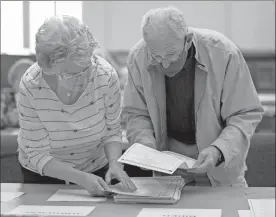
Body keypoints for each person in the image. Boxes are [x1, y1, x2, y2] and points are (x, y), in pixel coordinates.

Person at [123, 6, 264, 187]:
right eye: (156, 58)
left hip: (220, 165)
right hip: (168, 169)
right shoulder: (138, 57)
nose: (165, 65)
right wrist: (145, 144)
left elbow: (245, 114)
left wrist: (218, 150)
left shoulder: (224, 53)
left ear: (188, 40)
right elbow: (136, 113)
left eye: (172, 56)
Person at [17, 15, 136, 195]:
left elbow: (112, 130)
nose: (84, 79)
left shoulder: (105, 75)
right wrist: (81, 178)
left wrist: (114, 162)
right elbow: (37, 154)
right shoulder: (32, 85)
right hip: (44, 174)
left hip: (96, 168)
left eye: (87, 69)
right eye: (73, 74)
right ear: (51, 68)